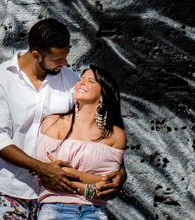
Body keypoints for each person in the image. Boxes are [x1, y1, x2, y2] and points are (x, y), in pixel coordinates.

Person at [0, 20, 124, 219]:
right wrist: (42, 168)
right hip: (11, 189)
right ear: (36, 55)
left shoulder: (71, 80)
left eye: (65, 57)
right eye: (58, 59)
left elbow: (89, 129)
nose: (64, 63)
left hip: (60, 196)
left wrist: (119, 172)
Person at [34, 66, 126, 220]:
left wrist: (70, 173)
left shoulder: (116, 135)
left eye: (90, 81)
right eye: (81, 79)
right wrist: (90, 188)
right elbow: (45, 175)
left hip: (95, 213)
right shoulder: (53, 123)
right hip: (55, 211)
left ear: (102, 95)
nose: (81, 83)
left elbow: (107, 182)